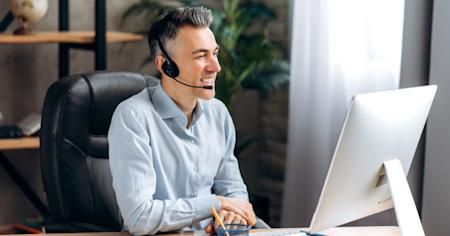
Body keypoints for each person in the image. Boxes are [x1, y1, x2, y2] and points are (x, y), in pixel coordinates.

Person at [108, 6, 257, 235]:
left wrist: (231, 214)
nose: (216, 67)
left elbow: (234, 191)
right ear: (165, 65)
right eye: (200, 56)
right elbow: (139, 217)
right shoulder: (133, 118)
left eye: (214, 53)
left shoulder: (218, 113)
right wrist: (215, 204)